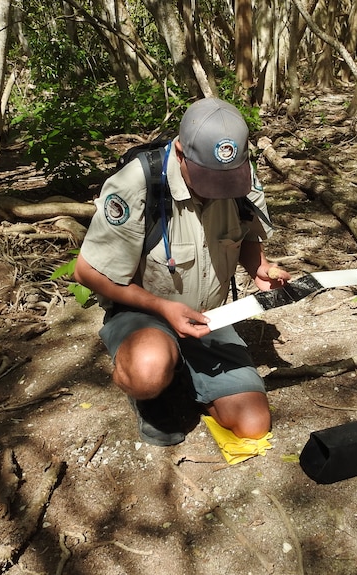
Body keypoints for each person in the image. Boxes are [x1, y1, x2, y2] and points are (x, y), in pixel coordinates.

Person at [74, 97, 291, 447]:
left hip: (209, 319)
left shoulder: (242, 178)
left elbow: (247, 235)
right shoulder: (137, 183)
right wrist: (163, 309)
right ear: (179, 151)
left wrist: (260, 268)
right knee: (148, 370)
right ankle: (155, 379)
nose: (218, 189)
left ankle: (187, 376)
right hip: (145, 312)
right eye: (208, 178)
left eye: (228, 179)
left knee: (252, 426)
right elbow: (87, 273)